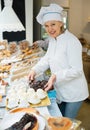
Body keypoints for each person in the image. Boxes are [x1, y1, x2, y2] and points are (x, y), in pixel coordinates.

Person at [28, 3, 89, 118]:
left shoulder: (72, 41)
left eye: (53, 24)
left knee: (66, 123)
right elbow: (47, 58)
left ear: (61, 23)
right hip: (61, 89)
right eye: (46, 25)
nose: (49, 29)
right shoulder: (52, 39)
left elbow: (77, 70)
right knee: (57, 118)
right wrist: (34, 70)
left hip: (74, 92)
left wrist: (55, 76)